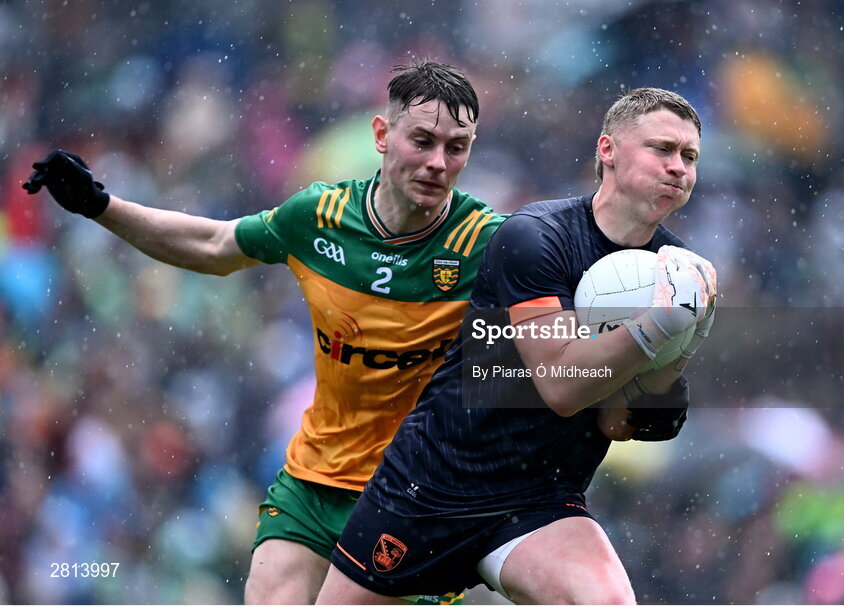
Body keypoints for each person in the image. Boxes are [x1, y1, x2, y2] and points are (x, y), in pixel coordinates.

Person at [23, 61, 502, 605]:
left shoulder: (489, 242)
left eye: (457, 147)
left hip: (414, 498)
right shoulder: (319, 214)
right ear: (381, 135)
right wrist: (100, 206)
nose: (439, 163)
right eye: (423, 140)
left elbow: (569, 310)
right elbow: (213, 245)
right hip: (314, 482)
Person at [315, 87, 718, 604]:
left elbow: (615, 421)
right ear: (607, 150)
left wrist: (680, 351)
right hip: (433, 488)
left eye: (689, 157)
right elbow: (561, 385)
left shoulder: (679, 267)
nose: (678, 167)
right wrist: (660, 326)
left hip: (540, 499)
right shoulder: (533, 236)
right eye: (662, 149)